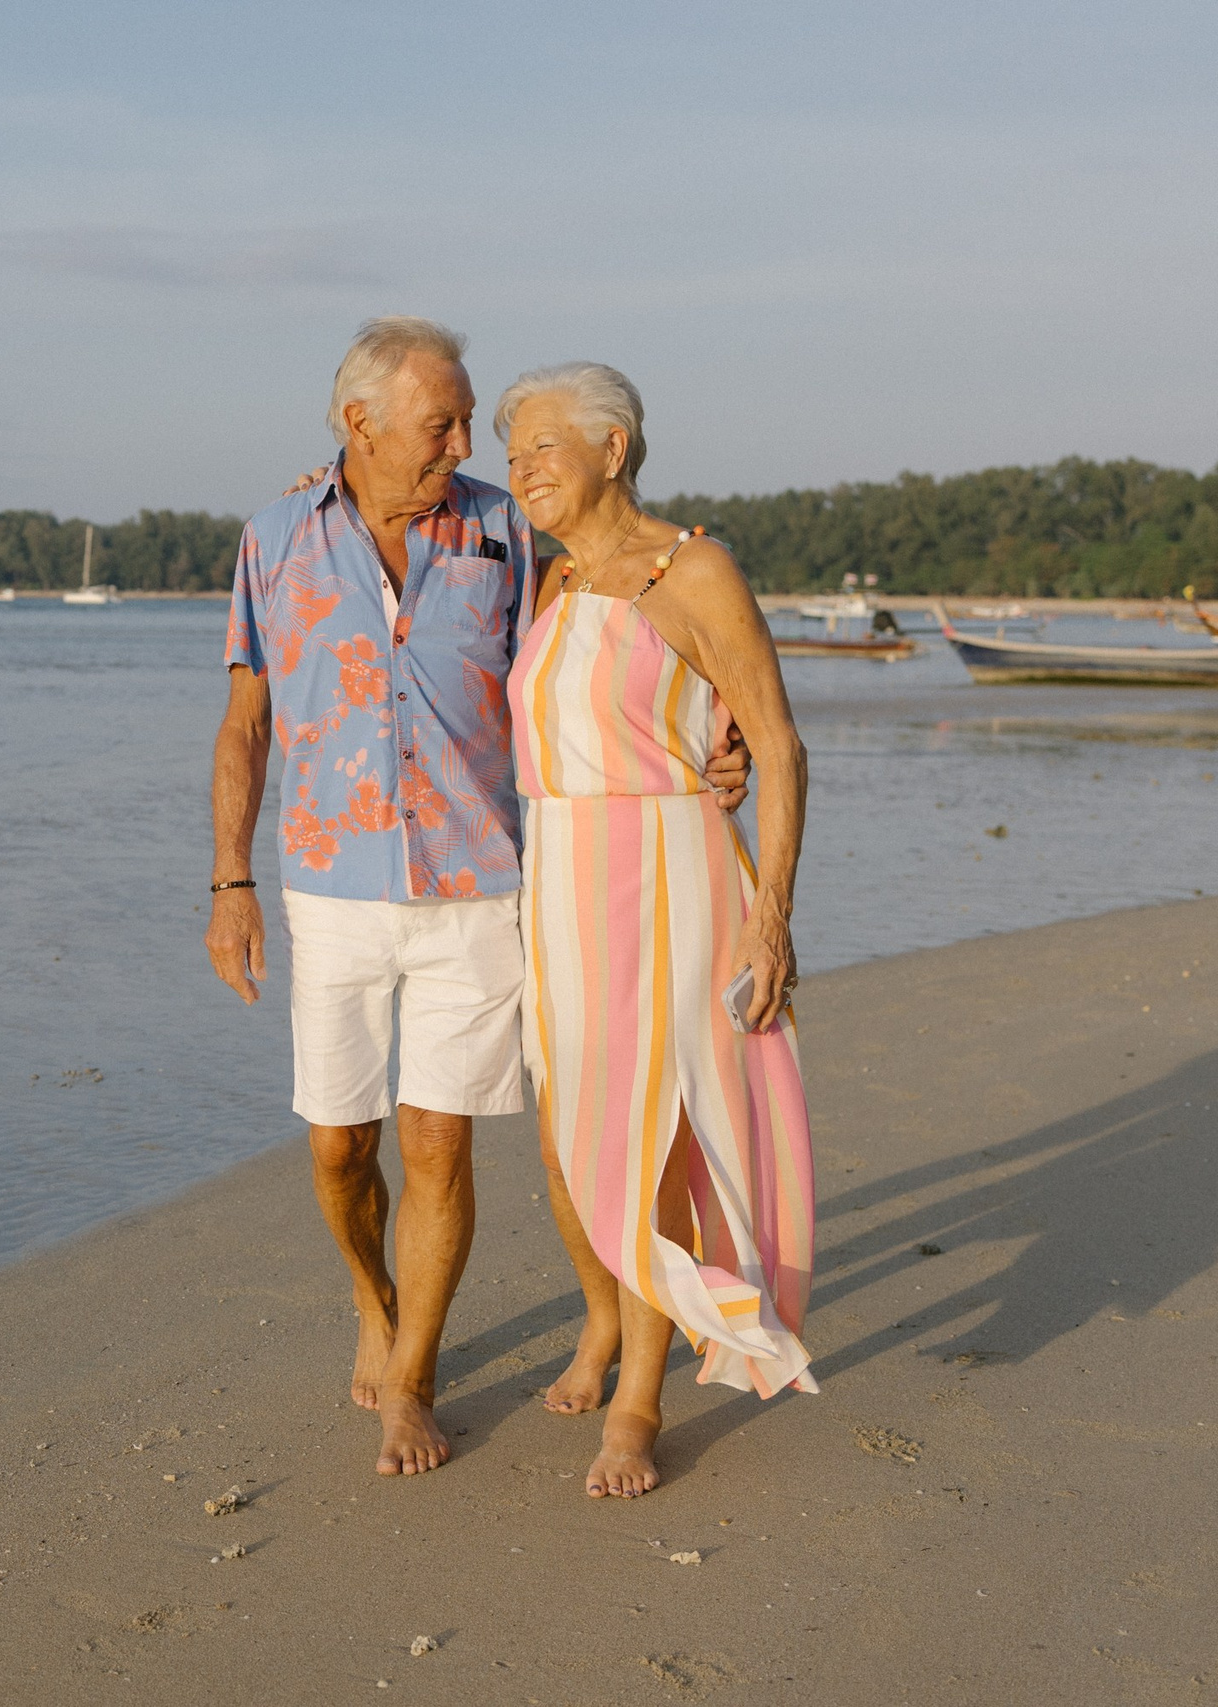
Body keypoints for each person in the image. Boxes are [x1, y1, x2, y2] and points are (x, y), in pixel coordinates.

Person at [204, 320, 747, 1476]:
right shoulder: (274, 541)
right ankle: (372, 1298)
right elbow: (245, 725)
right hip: (330, 888)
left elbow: (610, 646)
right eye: (439, 423)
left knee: (439, 1144)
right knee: (340, 1149)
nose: (464, 442)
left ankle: (413, 1381)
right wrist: (228, 884)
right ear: (357, 424)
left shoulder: (506, 531)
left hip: (478, 882)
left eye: (465, 422)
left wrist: (720, 735)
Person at [499, 362, 818, 1500]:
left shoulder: (694, 570)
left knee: (644, 1143)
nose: (519, 467)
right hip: (561, 882)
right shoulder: (549, 578)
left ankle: (639, 1399)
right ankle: (608, 1323)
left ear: (612, 450)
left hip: (670, 876)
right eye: (509, 450)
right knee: (566, 1141)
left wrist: (771, 916)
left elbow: (773, 744)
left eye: (539, 446)